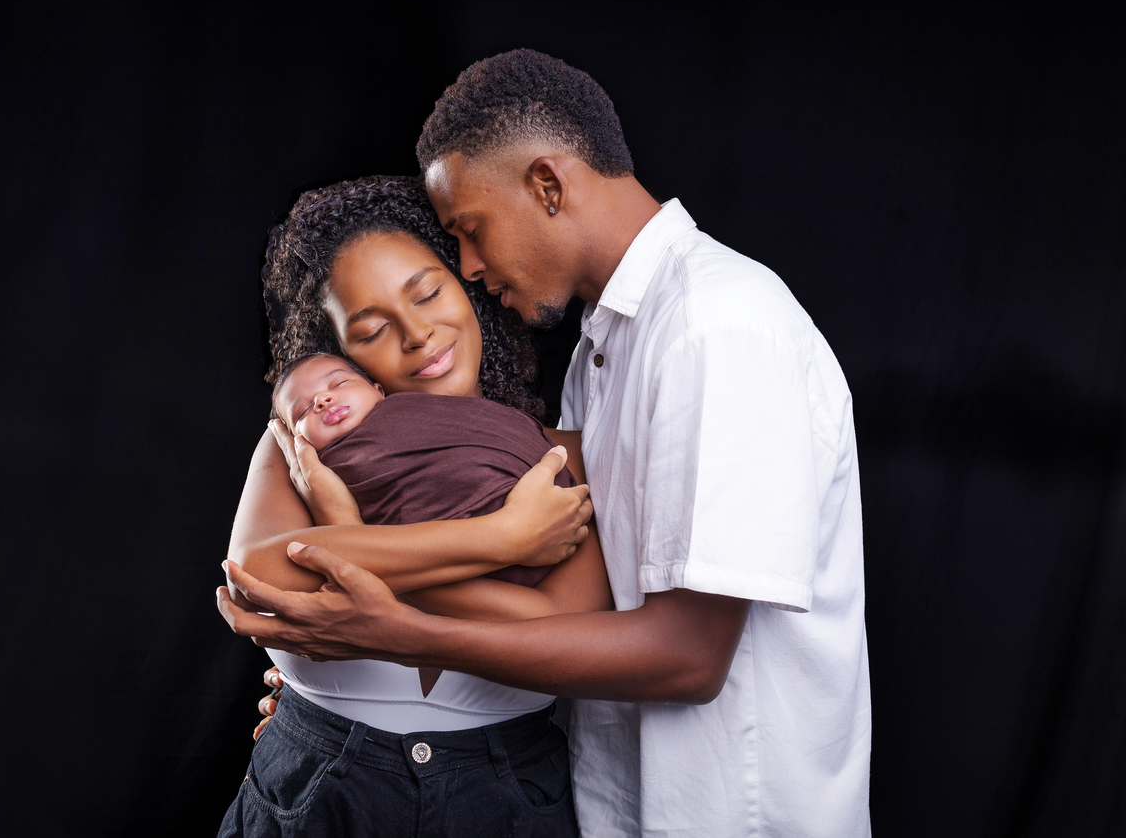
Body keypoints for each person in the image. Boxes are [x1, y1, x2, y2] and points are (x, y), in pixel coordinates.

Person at [221, 50, 871, 837]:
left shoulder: (716, 326)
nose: (466, 267)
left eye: (466, 234)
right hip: (595, 800)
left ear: (548, 187)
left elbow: (686, 657)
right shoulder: (600, 356)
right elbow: (263, 577)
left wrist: (383, 611)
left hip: (717, 814)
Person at [219, 175, 610, 837]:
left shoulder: (560, 455)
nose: (419, 335)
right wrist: (504, 541)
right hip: (316, 794)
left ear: (468, 284)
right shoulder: (306, 441)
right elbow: (263, 575)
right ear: (346, 358)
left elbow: (565, 631)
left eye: (428, 292)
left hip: (510, 800)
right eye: (371, 330)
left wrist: (350, 539)